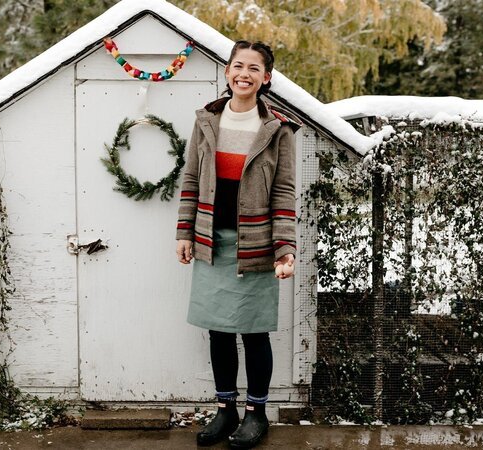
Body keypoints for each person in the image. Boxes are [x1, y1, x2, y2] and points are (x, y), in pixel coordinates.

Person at [175, 40, 299, 449]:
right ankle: (225, 410)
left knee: (253, 332)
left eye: (254, 68)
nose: (244, 73)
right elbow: (191, 179)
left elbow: (283, 192)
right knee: (219, 332)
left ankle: (256, 413)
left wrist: (285, 248)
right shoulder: (207, 121)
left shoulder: (277, 129)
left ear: (266, 78)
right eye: (237, 65)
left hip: (258, 244)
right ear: (227, 72)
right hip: (212, 240)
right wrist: (184, 232)